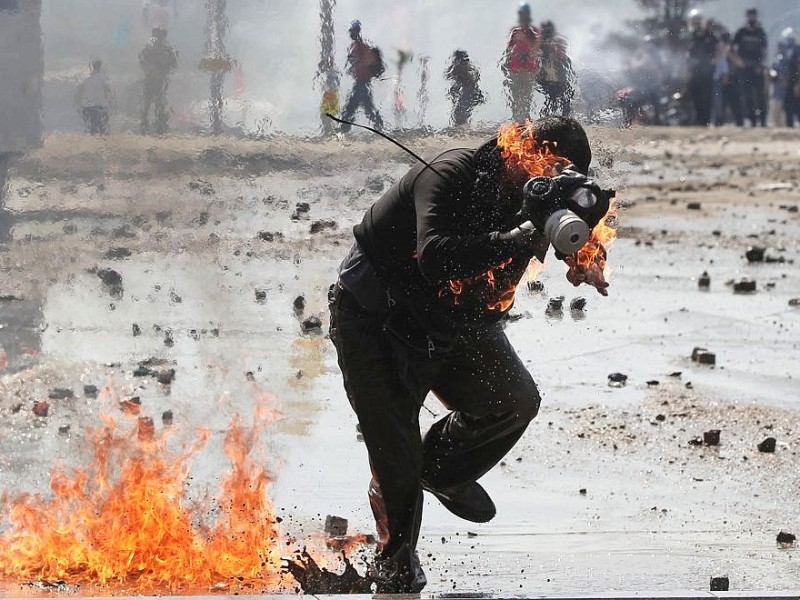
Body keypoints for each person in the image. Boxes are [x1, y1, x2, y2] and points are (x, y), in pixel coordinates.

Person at [328, 116, 610, 593]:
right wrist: (521, 237)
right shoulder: (449, 175)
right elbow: (436, 257)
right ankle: (395, 566)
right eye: (553, 167)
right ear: (525, 152)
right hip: (376, 317)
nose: (555, 182)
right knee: (396, 456)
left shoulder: (548, 195)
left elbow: (572, 235)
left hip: (457, 319)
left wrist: (587, 258)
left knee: (513, 400)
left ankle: (441, 471)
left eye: (568, 175)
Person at [340, 20, 385, 132]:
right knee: (366, 108)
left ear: (356, 31)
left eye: (351, 30)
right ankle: (380, 127)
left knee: (350, 108)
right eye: (350, 31)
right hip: (362, 83)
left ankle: (343, 131)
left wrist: (357, 65)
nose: (350, 33)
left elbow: (364, 63)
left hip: (362, 82)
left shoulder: (359, 46)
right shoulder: (359, 45)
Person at [502, 2, 541, 123]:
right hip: (516, 68)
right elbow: (508, 49)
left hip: (528, 68)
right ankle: (517, 119)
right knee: (517, 94)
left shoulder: (533, 32)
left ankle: (524, 118)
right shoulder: (515, 31)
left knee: (526, 94)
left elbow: (537, 48)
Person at [732, 8, 768, 127]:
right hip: (744, 69)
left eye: (753, 16)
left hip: (757, 69)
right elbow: (730, 50)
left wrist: (760, 65)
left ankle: (762, 121)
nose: (751, 18)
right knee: (746, 96)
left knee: (760, 95)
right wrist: (738, 61)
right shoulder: (741, 32)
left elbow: (765, 51)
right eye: (750, 16)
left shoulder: (760, 32)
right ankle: (752, 121)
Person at [139, 27, 178, 135]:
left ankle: (146, 125)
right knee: (158, 102)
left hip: (153, 78)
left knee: (150, 102)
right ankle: (158, 125)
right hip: (159, 79)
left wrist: (149, 69)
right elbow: (174, 64)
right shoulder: (167, 48)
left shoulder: (150, 47)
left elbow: (142, 60)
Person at [536, 21, 575, 117]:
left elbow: (570, 74)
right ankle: (547, 116)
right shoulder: (545, 55)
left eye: (562, 49)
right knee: (551, 100)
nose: (560, 50)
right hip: (547, 83)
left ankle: (565, 117)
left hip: (560, 83)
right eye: (558, 47)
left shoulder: (565, 60)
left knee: (566, 98)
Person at [687, 10, 718, 126]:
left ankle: (706, 121)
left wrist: (714, 62)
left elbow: (718, 49)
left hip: (708, 72)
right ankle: (699, 120)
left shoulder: (710, 35)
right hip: (695, 72)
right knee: (696, 97)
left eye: (698, 21)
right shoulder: (691, 37)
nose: (696, 24)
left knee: (707, 98)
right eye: (694, 22)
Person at [444, 49, 485, 127]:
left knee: (460, 113)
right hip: (464, 93)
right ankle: (463, 126)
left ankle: (463, 126)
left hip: (468, 93)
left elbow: (473, 78)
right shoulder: (459, 67)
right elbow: (448, 76)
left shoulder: (466, 67)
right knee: (460, 113)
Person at [712, 32, 743, 126]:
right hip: (719, 81)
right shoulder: (717, 50)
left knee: (736, 105)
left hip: (733, 81)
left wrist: (729, 53)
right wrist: (721, 52)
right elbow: (715, 63)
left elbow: (740, 64)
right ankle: (718, 124)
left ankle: (739, 124)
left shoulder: (735, 50)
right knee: (719, 105)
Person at [75, 59, 114, 135]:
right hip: (100, 106)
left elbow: (80, 93)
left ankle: (93, 128)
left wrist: (79, 103)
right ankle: (102, 129)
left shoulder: (86, 80)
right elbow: (107, 92)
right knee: (105, 117)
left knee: (89, 119)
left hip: (88, 107)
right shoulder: (103, 80)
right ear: (100, 67)